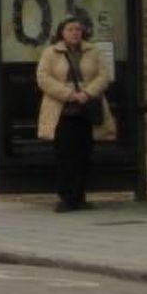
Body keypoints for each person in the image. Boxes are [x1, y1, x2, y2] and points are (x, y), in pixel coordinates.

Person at [37, 16, 113, 212]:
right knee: (65, 154)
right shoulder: (51, 53)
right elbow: (43, 78)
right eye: (70, 29)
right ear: (62, 32)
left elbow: (104, 75)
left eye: (78, 29)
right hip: (62, 110)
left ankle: (80, 196)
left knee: (84, 153)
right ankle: (66, 197)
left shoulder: (93, 51)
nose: (74, 33)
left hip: (86, 109)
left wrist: (87, 93)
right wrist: (69, 94)